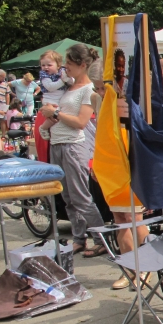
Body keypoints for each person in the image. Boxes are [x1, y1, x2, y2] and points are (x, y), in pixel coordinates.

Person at [87, 57, 150, 290]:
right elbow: (100, 138)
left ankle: (145, 267)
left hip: (130, 167)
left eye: (103, 87)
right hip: (111, 168)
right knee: (120, 220)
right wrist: (97, 163)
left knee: (135, 219)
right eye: (97, 88)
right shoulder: (100, 102)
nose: (100, 92)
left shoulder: (128, 101)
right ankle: (130, 269)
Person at [39, 44, 107, 258]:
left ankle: (101, 239)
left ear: (82, 65)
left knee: (81, 198)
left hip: (74, 146)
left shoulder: (88, 90)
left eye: (69, 63)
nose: (65, 67)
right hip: (58, 143)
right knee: (68, 197)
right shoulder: (68, 86)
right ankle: (79, 238)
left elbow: (80, 122)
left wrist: (55, 113)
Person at [36, 50, 74, 163]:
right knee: (55, 115)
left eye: (49, 65)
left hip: (60, 99)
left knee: (59, 115)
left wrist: (67, 79)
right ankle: (43, 127)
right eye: (43, 65)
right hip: (50, 99)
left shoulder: (63, 71)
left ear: (58, 65)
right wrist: (62, 81)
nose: (46, 67)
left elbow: (71, 81)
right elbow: (50, 87)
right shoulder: (44, 75)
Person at [0, 69, 12, 137]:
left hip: (2, 104)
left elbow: (7, 94)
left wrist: (7, 105)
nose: (3, 78)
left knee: (2, 120)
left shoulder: (5, 83)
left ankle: (3, 135)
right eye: (2, 77)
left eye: (4, 77)